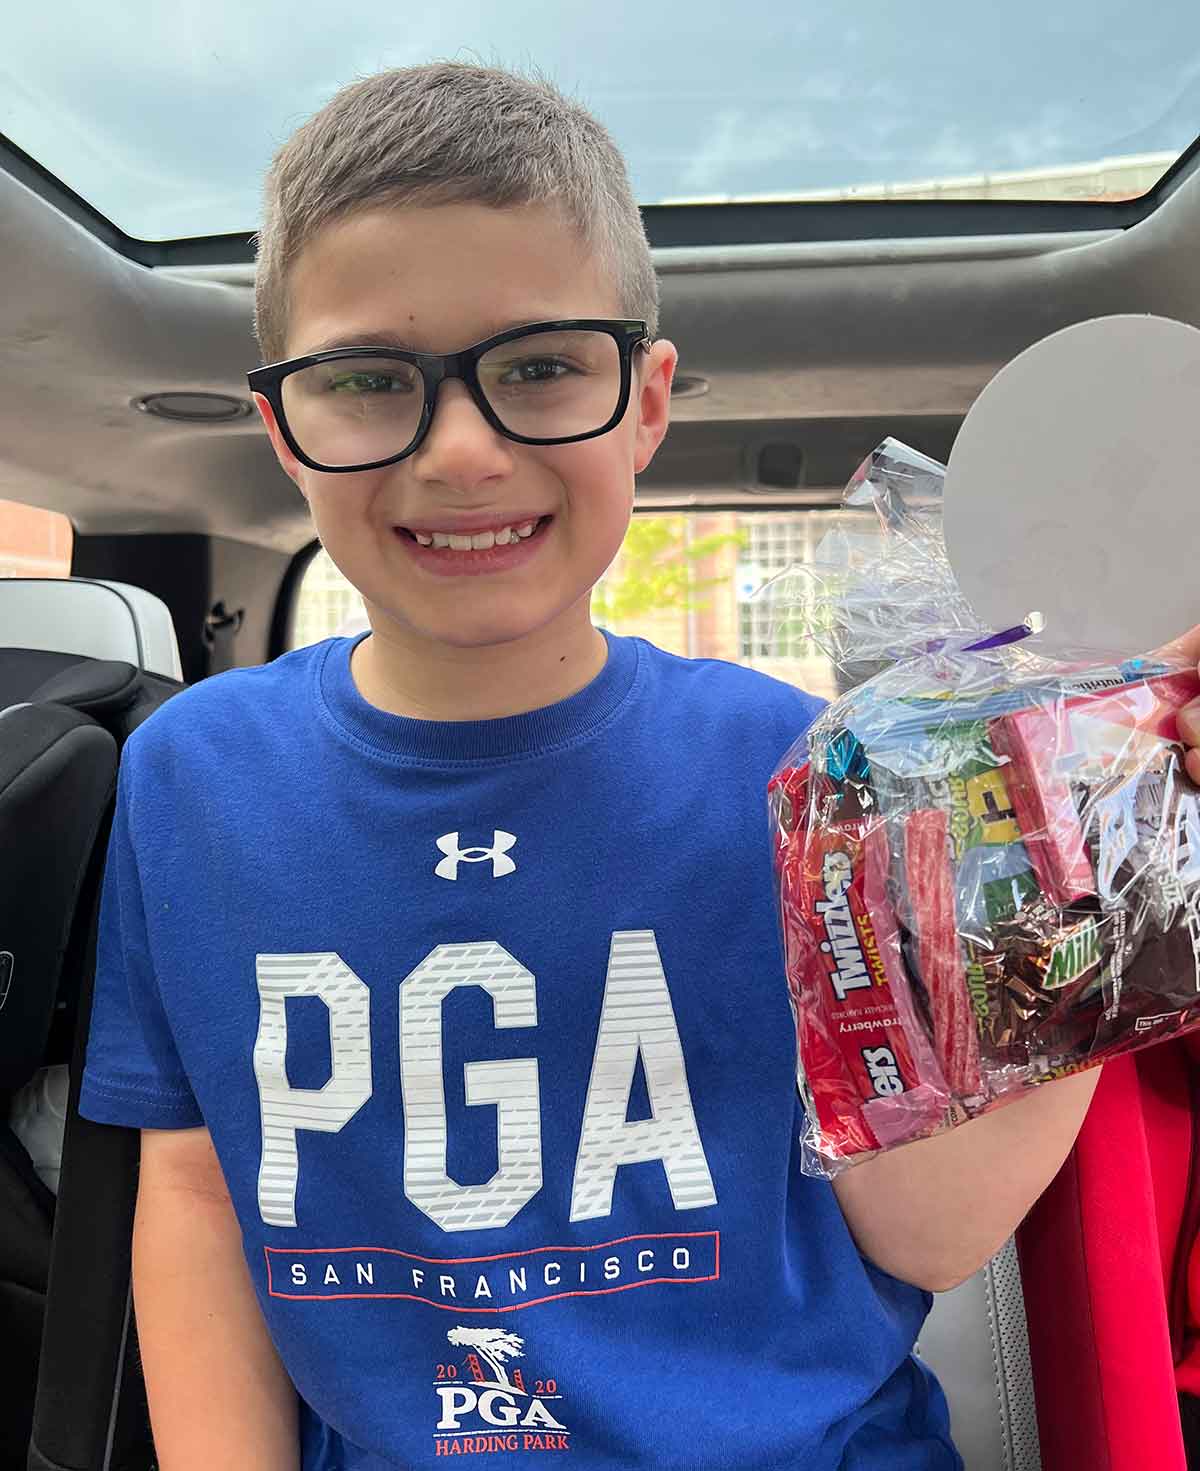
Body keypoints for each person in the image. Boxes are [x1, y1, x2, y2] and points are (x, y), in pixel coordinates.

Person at [78, 62, 1200, 1471]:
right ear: (282, 431)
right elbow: (195, 1186)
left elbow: (926, 1234)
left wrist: (1112, 840)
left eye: (542, 365)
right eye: (366, 382)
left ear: (647, 401)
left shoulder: (811, 780)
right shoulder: (188, 779)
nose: (463, 452)